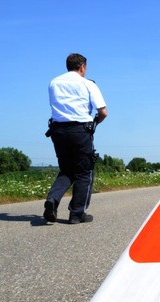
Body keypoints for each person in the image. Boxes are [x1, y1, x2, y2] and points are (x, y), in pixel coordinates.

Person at [43, 53, 107, 224]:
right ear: (82, 67)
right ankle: (77, 214)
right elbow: (103, 112)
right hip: (80, 130)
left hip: (58, 131)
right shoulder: (87, 84)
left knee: (66, 170)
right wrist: (95, 124)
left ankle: (53, 200)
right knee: (84, 172)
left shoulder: (54, 82)